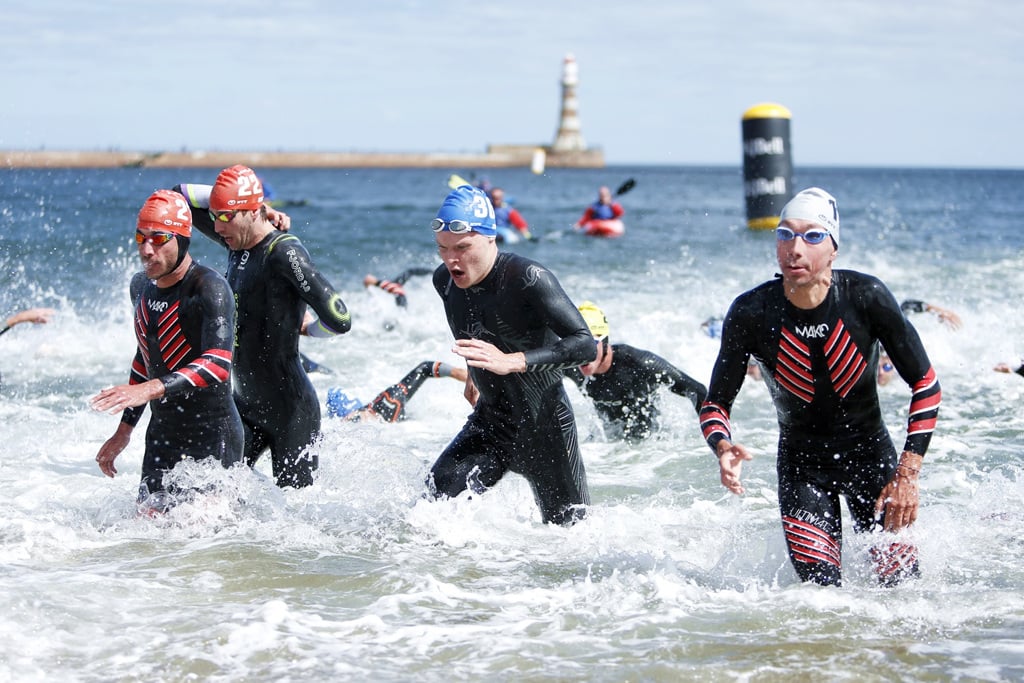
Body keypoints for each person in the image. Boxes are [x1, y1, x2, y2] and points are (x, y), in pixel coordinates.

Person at [699, 187, 941, 587]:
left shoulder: (866, 297)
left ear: (833, 248)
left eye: (812, 236)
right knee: (820, 600)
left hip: (874, 464)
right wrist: (722, 447)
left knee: (902, 592)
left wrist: (908, 474)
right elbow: (716, 403)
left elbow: (926, 385)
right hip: (803, 468)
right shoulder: (751, 312)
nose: (795, 248)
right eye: (784, 234)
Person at [427, 185, 596, 526]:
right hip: (492, 424)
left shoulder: (528, 278)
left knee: (572, 541)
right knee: (430, 513)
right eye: (443, 249)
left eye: (462, 248)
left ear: (491, 239)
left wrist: (513, 361)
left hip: (546, 430)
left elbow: (584, 345)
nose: (451, 259)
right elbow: (470, 325)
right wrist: (474, 370)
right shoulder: (444, 280)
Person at [175, 165, 352, 489]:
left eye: (225, 216)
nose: (216, 225)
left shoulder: (283, 251)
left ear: (251, 212)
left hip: (293, 414)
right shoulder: (235, 242)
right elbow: (178, 195)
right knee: (212, 496)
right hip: (246, 406)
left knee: (295, 523)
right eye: (214, 215)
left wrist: (309, 330)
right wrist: (261, 208)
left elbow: (339, 318)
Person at [90, 190, 243, 512]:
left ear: (183, 238)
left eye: (159, 238)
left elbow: (218, 364)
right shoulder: (141, 286)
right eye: (140, 238)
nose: (147, 250)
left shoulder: (208, 288)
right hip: (163, 432)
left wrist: (149, 389)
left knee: (207, 539)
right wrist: (123, 432)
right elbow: (146, 356)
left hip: (213, 434)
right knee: (149, 537)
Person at [564, 302, 707, 441]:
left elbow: (698, 391)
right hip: (608, 448)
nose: (581, 353)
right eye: (575, 345)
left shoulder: (638, 364)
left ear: (605, 340)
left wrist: (709, 443)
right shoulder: (571, 366)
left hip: (652, 445)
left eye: (590, 344)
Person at [326, 360, 468, 422]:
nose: (354, 422)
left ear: (356, 411)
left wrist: (463, 375)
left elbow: (424, 368)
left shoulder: (388, 402)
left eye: (354, 419)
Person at [877, 299, 962, 385]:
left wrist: (938, 311)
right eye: (876, 369)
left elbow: (906, 307)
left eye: (887, 367)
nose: (881, 373)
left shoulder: (904, 353)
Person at [363, 267, 434, 307]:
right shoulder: (384, 286)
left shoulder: (382, 286)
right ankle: (433, 272)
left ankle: (433, 272)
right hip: (397, 295)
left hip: (396, 292)